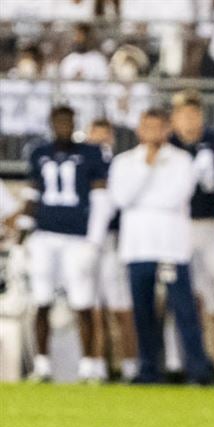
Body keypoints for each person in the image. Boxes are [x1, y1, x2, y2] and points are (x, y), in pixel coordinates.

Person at [105, 109, 212, 385]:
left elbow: (175, 197)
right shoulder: (124, 161)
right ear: (139, 130)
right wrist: (147, 167)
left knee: (184, 310)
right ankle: (148, 369)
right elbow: (120, 197)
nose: (152, 132)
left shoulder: (182, 160)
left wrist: (143, 194)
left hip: (171, 247)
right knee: (142, 311)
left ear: (166, 130)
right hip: (138, 246)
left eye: (157, 127)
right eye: (147, 126)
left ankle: (197, 369)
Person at [21, 106, 109, 383]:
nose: (63, 126)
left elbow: (101, 200)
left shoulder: (91, 153)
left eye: (68, 121)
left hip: (76, 237)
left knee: (83, 301)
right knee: (42, 299)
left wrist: (93, 241)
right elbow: (32, 196)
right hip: (45, 235)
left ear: (75, 123)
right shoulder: (39, 152)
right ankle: (42, 364)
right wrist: (24, 236)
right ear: (51, 123)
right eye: (58, 121)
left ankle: (88, 365)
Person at [170, 89, 214, 378]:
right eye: (184, 114)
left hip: (211, 224)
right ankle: (183, 360)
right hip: (177, 227)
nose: (189, 119)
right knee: (184, 297)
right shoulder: (168, 144)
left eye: (194, 113)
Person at [86, 119, 138, 382]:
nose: (100, 139)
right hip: (86, 242)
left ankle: (131, 365)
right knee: (92, 306)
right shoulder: (80, 163)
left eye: (105, 134)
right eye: (96, 134)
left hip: (115, 240)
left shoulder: (119, 165)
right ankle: (97, 366)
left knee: (121, 306)